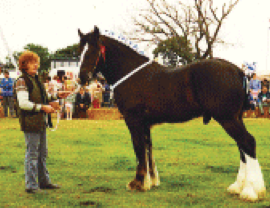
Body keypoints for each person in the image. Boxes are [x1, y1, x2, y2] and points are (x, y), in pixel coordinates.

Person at [14, 51, 70, 194]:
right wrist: (43, 108)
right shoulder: (22, 81)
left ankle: (44, 182)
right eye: (33, 62)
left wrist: (57, 95)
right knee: (32, 154)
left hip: (40, 122)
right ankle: (31, 185)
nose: (36, 65)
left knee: (42, 154)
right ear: (24, 65)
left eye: (36, 62)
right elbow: (23, 103)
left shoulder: (36, 79)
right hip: (30, 122)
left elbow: (43, 97)